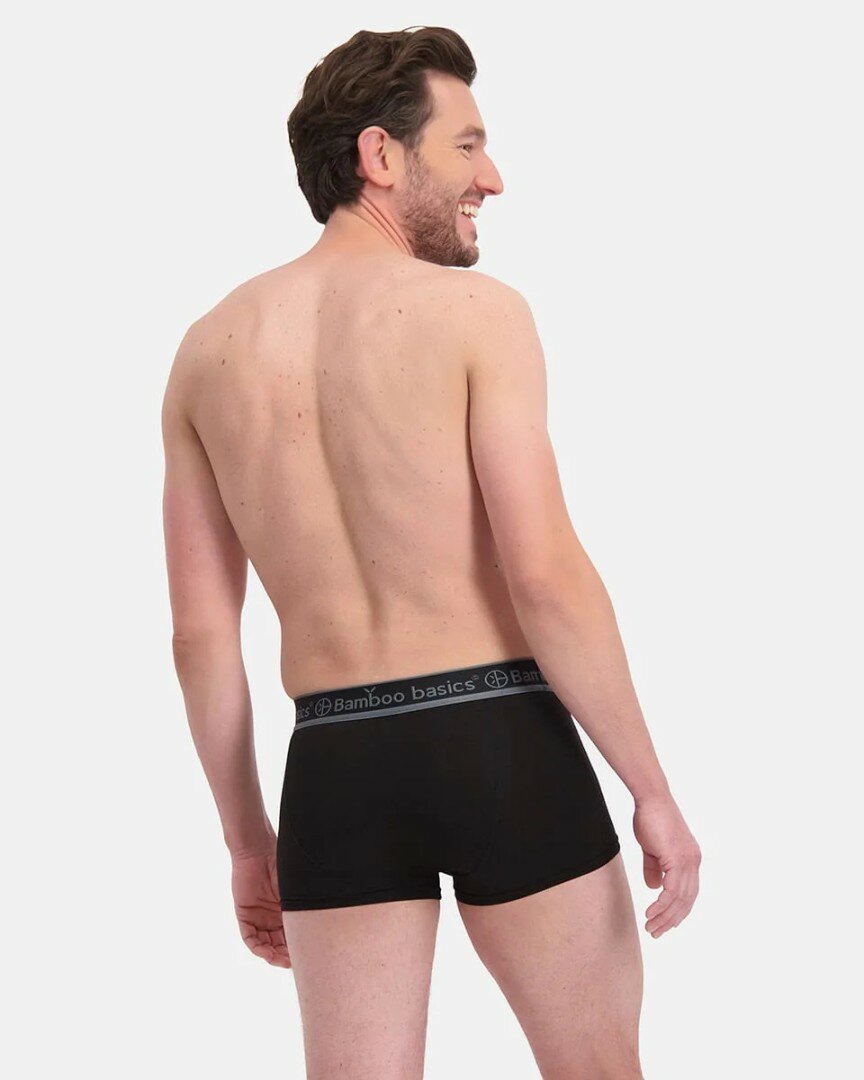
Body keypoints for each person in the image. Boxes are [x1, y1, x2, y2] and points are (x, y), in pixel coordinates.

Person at [161, 25, 701, 1079]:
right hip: (499, 739)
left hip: (333, 766)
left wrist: (248, 840)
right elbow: (544, 575)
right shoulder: (475, 315)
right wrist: (651, 787)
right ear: (380, 155)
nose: (491, 178)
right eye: (467, 145)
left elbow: (199, 637)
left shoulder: (205, 353)